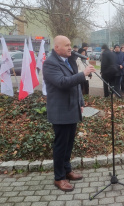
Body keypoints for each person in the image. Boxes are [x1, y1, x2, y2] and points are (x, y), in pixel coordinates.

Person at [43, 35, 96, 192]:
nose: (69, 47)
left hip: (72, 108)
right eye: (66, 45)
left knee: (69, 143)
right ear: (56, 48)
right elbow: (62, 83)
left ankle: (67, 170)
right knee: (60, 145)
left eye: (70, 45)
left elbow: (76, 86)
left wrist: (80, 103)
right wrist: (83, 74)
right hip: (60, 111)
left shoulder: (68, 61)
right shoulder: (50, 63)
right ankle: (59, 178)